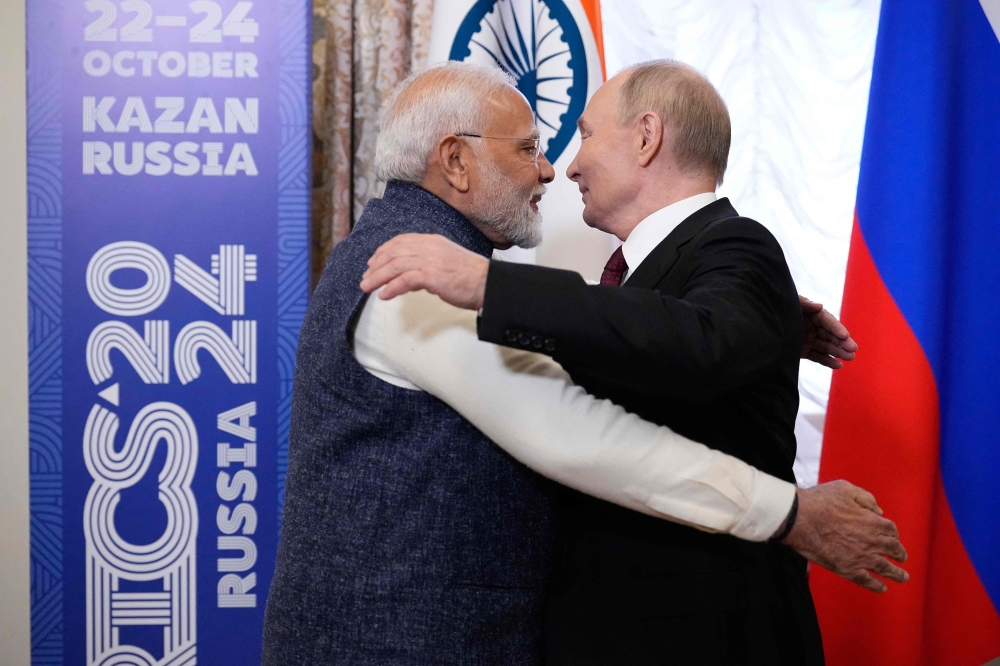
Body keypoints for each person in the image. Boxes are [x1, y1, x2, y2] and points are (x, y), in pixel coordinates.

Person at [264, 62, 904, 665]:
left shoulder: (433, 262)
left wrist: (761, 317)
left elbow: (677, 341)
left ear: (648, 137)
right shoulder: (415, 270)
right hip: (403, 640)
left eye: (581, 135)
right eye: (526, 148)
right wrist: (787, 511)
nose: (552, 169)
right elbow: (571, 432)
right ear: (456, 161)